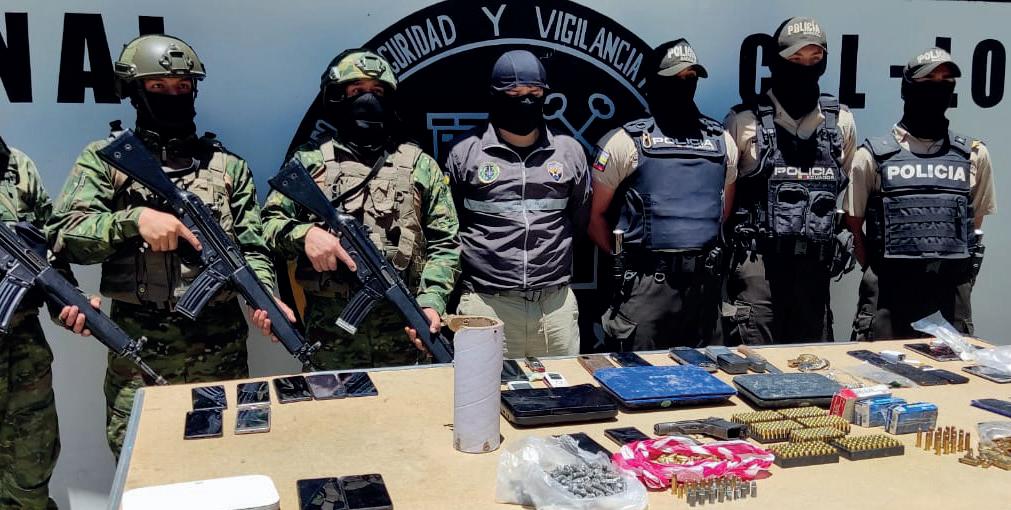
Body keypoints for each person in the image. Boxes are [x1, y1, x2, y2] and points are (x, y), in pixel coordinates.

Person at [46, 35, 288, 457]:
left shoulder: (227, 167)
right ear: (134, 91)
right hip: (140, 359)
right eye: (158, 86)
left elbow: (253, 247)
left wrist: (264, 296)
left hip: (221, 356)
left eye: (182, 86)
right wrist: (133, 220)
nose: (172, 95)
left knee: (228, 468)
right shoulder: (106, 160)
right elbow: (66, 234)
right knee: (144, 473)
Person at [261, 49, 459, 369]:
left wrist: (431, 302)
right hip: (330, 341)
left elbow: (445, 243)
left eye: (377, 91)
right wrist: (306, 235)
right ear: (337, 97)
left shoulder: (420, 166)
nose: (368, 100)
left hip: (404, 338)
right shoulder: (310, 161)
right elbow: (268, 225)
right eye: (356, 91)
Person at [588, 39, 737, 351]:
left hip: (704, 290)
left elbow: (722, 212)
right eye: (674, 78)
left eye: (690, 78)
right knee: (639, 376)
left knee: (709, 377)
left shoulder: (721, 141)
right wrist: (623, 260)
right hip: (647, 287)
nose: (684, 85)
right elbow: (595, 218)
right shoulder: (625, 142)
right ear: (654, 82)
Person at [444, 49, 591, 359]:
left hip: (555, 307)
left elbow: (579, 220)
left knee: (564, 387)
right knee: (485, 390)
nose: (525, 101)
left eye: (534, 93)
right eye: (514, 93)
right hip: (487, 304)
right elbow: (450, 228)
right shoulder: (465, 153)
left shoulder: (569, 152)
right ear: (495, 95)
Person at [723, 16, 858, 345]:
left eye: (815, 58)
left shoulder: (841, 122)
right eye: (795, 58)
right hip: (758, 266)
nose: (805, 67)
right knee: (753, 363)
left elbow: (844, 187)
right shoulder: (744, 121)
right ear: (776, 61)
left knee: (811, 364)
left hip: (814, 270)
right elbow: (724, 201)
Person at [844, 47, 995, 339]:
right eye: (928, 80)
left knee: (954, 370)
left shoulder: (974, 156)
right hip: (888, 298)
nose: (938, 88)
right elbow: (854, 227)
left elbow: (973, 226)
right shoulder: (871, 157)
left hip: (949, 298)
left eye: (946, 81)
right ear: (908, 88)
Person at [0, 136, 100, 509]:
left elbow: (47, 253)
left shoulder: (16, 165)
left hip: (23, 364)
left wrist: (66, 302)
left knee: (30, 488)